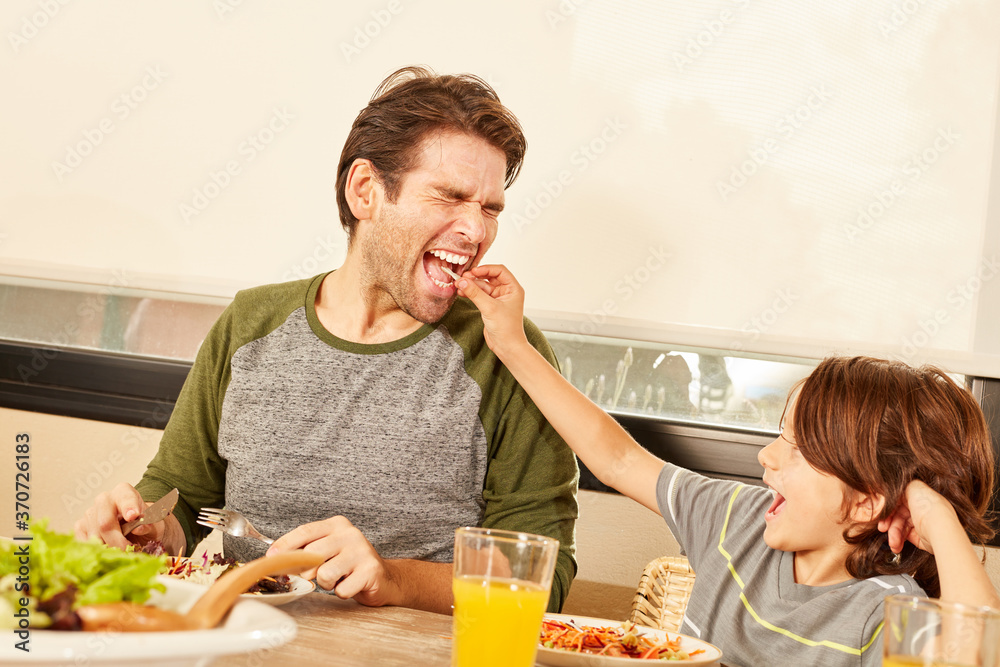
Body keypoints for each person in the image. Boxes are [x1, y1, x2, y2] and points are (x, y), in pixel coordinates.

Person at [74, 67, 579, 615]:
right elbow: (180, 504)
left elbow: (541, 577)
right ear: (365, 190)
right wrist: (145, 531)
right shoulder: (250, 324)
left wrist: (393, 579)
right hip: (243, 643)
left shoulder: (505, 349)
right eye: (450, 197)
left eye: (490, 209)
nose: (476, 231)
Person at [456, 264, 998, 666]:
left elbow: (975, 655)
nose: (767, 455)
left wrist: (935, 514)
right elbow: (618, 457)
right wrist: (510, 343)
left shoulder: (883, 613)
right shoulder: (738, 520)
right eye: (777, 434)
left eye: (800, 447)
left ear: (866, 501)